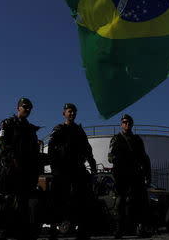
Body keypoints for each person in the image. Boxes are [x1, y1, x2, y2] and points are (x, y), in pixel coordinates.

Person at [48, 103, 97, 240]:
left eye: (74, 112)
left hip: (77, 168)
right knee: (58, 199)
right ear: (64, 113)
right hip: (62, 169)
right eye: (69, 112)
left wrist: (92, 165)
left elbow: (87, 150)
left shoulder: (79, 131)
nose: (72, 114)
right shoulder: (59, 129)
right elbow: (51, 149)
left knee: (81, 199)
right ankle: (54, 230)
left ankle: (81, 230)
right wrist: (54, 168)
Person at [0, 98, 41, 240]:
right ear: (18, 108)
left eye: (30, 108)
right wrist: (13, 158)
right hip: (12, 169)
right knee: (9, 200)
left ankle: (22, 231)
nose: (27, 110)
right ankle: (7, 230)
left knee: (25, 201)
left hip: (27, 171)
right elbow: (2, 143)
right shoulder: (7, 124)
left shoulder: (30, 129)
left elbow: (34, 150)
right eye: (25, 107)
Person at [108, 114, 152, 239]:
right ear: (121, 124)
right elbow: (110, 156)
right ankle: (119, 229)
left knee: (141, 201)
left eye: (129, 122)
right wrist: (117, 160)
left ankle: (141, 227)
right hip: (122, 175)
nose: (127, 124)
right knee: (120, 202)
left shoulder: (137, 139)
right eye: (124, 122)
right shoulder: (116, 139)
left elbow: (144, 158)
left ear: (132, 124)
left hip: (136, 175)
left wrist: (148, 175)